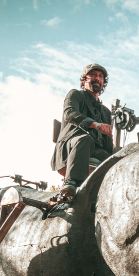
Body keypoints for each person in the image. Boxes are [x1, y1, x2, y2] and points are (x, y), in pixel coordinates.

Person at [51, 63, 114, 201]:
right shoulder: (75, 95)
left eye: (101, 76)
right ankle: (71, 183)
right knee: (85, 139)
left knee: (113, 160)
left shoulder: (106, 112)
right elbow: (70, 114)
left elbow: (108, 142)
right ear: (84, 79)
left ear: (104, 82)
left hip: (95, 151)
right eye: (93, 75)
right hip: (71, 147)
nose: (97, 78)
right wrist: (95, 125)